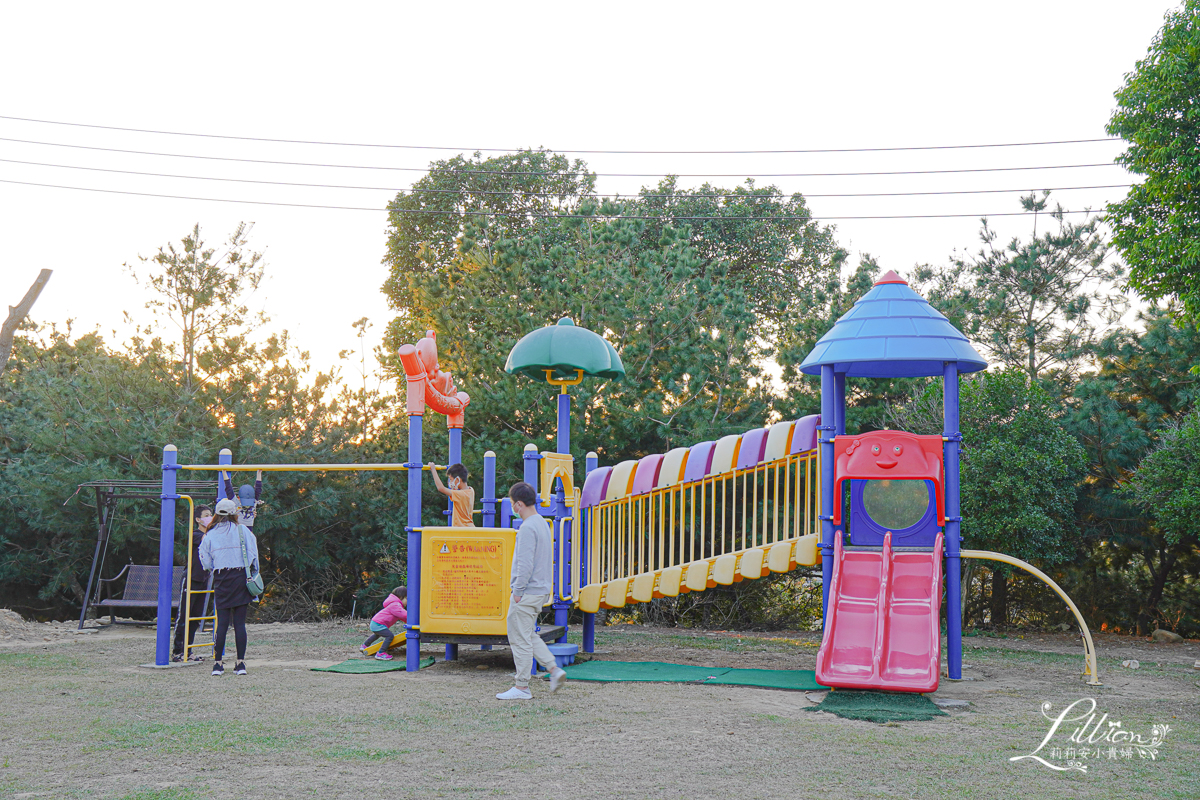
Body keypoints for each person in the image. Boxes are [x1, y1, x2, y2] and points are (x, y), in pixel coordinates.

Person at [495, 481, 566, 700]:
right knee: (526, 633)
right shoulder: (543, 523)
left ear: (518, 504)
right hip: (541, 589)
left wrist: (517, 590)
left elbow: (524, 564)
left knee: (518, 637)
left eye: (512, 504)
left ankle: (522, 686)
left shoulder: (527, 527)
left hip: (526, 591)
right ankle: (553, 669)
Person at [198, 498, 260, 677]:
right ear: (235, 513)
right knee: (240, 623)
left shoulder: (210, 534)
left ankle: (217, 664)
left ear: (216, 514)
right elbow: (253, 554)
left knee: (222, 624)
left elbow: (206, 561)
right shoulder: (243, 530)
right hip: (241, 577)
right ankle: (240, 663)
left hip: (221, 579)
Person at [172, 504, 213, 662]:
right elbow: (206, 540)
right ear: (198, 519)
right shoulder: (196, 534)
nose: (210, 517)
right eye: (206, 515)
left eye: (211, 514)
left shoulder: (209, 534)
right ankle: (177, 651)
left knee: (195, 618)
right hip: (191, 579)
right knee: (184, 616)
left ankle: (188, 650)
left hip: (203, 579)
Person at [360, 586, 407, 660]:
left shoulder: (395, 605)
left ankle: (364, 645)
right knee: (390, 636)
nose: (407, 601)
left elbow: (402, 617)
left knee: (377, 635)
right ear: (401, 597)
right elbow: (404, 615)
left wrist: (409, 623)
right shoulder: (395, 605)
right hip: (378, 624)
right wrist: (413, 618)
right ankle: (381, 653)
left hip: (376, 623)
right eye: (407, 599)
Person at [428, 462, 476, 527]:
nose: (450, 483)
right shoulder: (471, 490)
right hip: (469, 527)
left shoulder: (460, 494)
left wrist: (433, 470)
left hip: (462, 529)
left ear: (458, 479)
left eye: (451, 479)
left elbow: (441, 488)